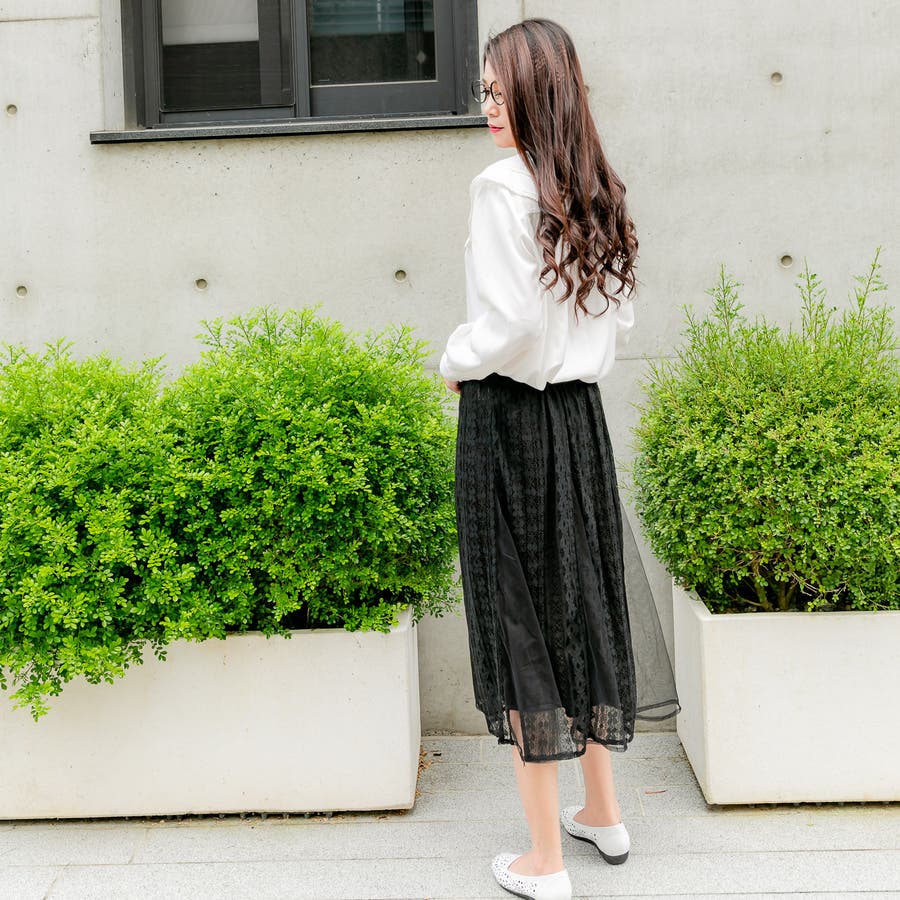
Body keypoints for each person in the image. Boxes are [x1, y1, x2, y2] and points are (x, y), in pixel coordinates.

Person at [440, 18, 679, 900]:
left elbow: (508, 324)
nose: (488, 107)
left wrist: (456, 357)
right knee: (580, 600)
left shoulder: (501, 189)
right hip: (579, 420)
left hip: (509, 420)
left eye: (501, 92)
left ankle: (543, 861)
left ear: (540, 95)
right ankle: (603, 813)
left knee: (520, 617)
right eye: (486, 91)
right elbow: (613, 315)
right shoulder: (594, 188)